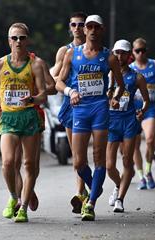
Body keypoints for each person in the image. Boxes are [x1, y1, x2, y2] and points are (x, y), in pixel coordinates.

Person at [56, 15, 125, 221]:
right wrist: (70, 92)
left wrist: (114, 98)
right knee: (78, 162)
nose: (92, 30)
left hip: (99, 109)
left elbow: (120, 84)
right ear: (84, 30)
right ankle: (96, 187)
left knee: (98, 157)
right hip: (80, 110)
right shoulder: (72, 54)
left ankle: (91, 203)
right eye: (89, 27)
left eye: (96, 27)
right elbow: (59, 81)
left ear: (101, 30)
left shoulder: (109, 57)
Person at [0, 22, 47, 222]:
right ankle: (13, 197)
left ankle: (23, 208)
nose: (18, 41)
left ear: (27, 40)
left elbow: (43, 94)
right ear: (9, 41)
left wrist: (33, 99)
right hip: (9, 117)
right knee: (8, 162)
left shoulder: (35, 64)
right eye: (14, 38)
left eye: (22, 38)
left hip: (29, 117)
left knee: (29, 164)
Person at [106, 39, 150, 212]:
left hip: (129, 121)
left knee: (126, 160)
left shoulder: (137, 77)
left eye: (123, 53)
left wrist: (142, 111)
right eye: (116, 52)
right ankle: (118, 185)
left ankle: (120, 200)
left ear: (129, 55)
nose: (119, 56)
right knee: (109, 166)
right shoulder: (108, 74)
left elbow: (147, 100)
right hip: (112, 121)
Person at [51, 12, 88, 214]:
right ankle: (82, 193)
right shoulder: (65, 51)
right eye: (73, 24)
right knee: (77, 156)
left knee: (90, 154)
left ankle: (87, 190)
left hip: (92, 104)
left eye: (81, 24)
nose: (77, 28)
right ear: (69, 27)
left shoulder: (95, 50)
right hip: (71, 104)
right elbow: (56, 77)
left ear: (88, 27)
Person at [130, 38, 155, 190]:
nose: (140, 53)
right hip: (133, 109)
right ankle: (141, 176)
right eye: (137, 51)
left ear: (146, 50)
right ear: (132, 52)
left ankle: (148, 171)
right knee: (134, 146)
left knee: (150, 139)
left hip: (150, 108)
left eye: (143, 50)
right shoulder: (130, 67)